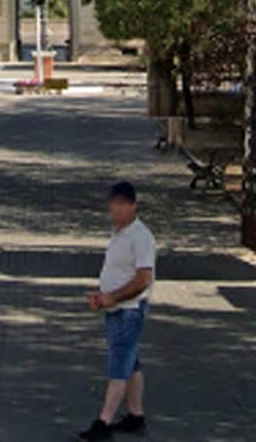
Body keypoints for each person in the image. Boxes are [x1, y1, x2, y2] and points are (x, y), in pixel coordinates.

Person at [78, 181, 156, 440]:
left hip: (130, 310)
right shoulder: (119, 234)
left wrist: (113, 297)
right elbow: (114, 270)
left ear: (134, 206)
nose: (117, 210)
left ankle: (104, 422)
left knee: (119, 364)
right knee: (130, 362)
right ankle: (136, 414)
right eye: (114, 205)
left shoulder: (141, 236)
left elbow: (143, 279)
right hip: (114, 306)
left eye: (123, 205)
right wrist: (100, 296)